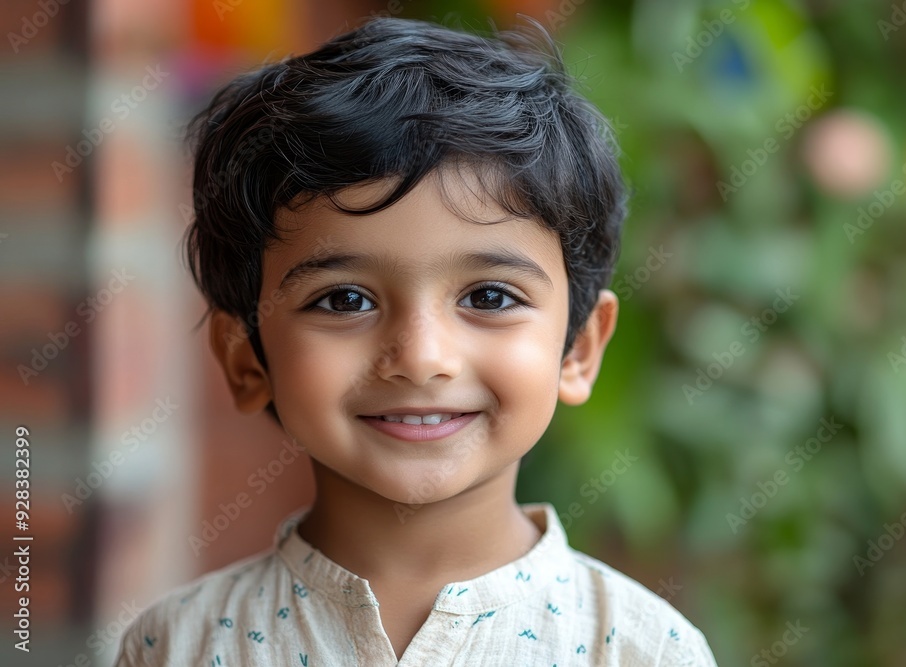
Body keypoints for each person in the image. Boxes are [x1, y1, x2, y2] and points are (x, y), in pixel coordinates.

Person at [114, 15, 718, 666]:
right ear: (244, 359)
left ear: (578, 349)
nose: (422, 357)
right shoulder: (178, 644)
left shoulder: (644, 648)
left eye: (489, 297)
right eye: (345, 299)